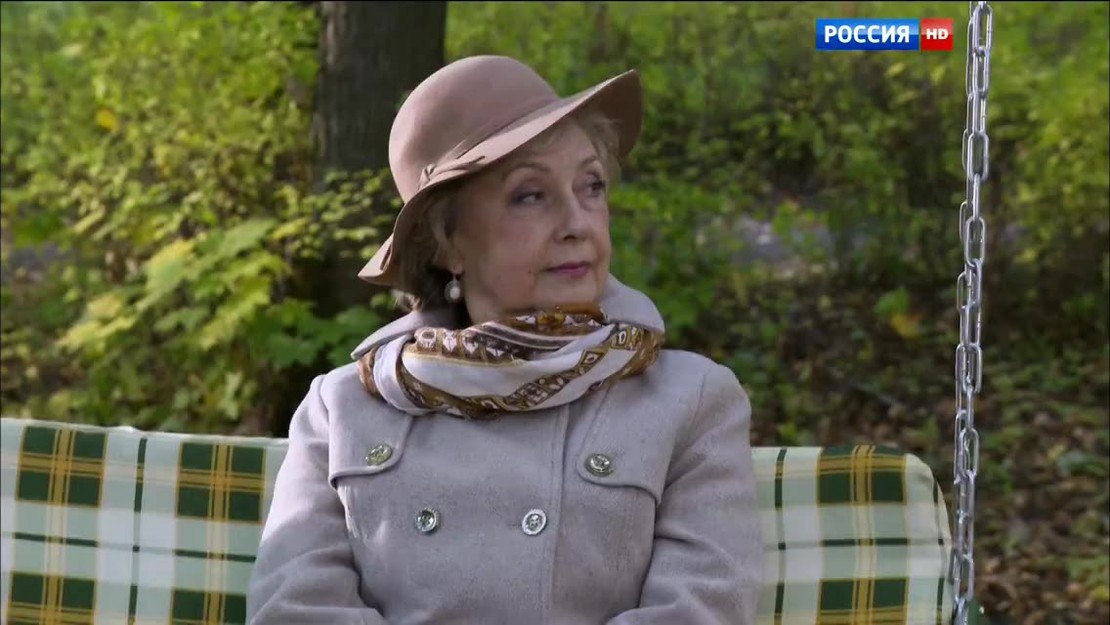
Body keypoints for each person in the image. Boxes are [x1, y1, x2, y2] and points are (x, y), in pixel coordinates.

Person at [246, 55, 764, 624]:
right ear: (447, 242)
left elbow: (703, 610)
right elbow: (294, 610)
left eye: (591, 186)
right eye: (530, 195)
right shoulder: (342, 409)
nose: (578, 223)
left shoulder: (692, 400)